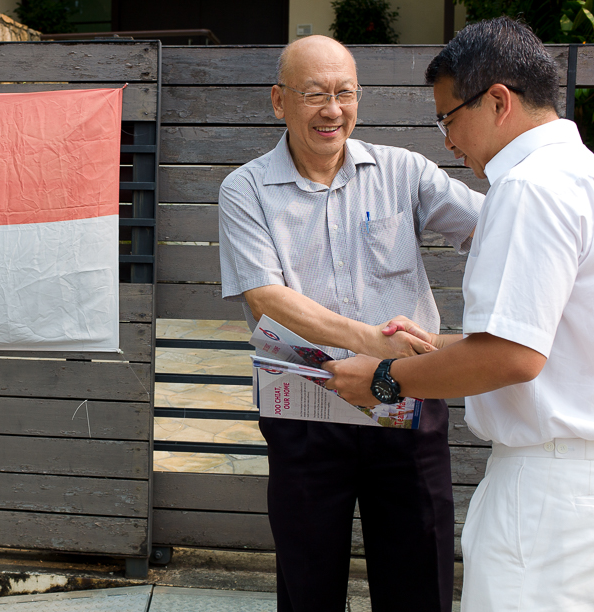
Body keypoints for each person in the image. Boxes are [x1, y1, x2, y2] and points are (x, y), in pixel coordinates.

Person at [324, 17, 594, 611]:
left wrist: (385, 379)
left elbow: (512, 355)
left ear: (498, 101)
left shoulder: (529, 187)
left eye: (448, 118)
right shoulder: (581, 174)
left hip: (544, 489)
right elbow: (555, 336)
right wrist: (437, 348)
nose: (447, 140)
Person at [217, 35, 483, 612]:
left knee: (420, 577)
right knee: (309, 584)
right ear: (278, 101)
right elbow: (268, 298)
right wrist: (374, 342)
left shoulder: (404, 171)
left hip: (405, 400)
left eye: (344, 93)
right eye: (313, 94)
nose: (331, 110)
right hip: (307, 407)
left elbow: (490, 229)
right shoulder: (246, 189)